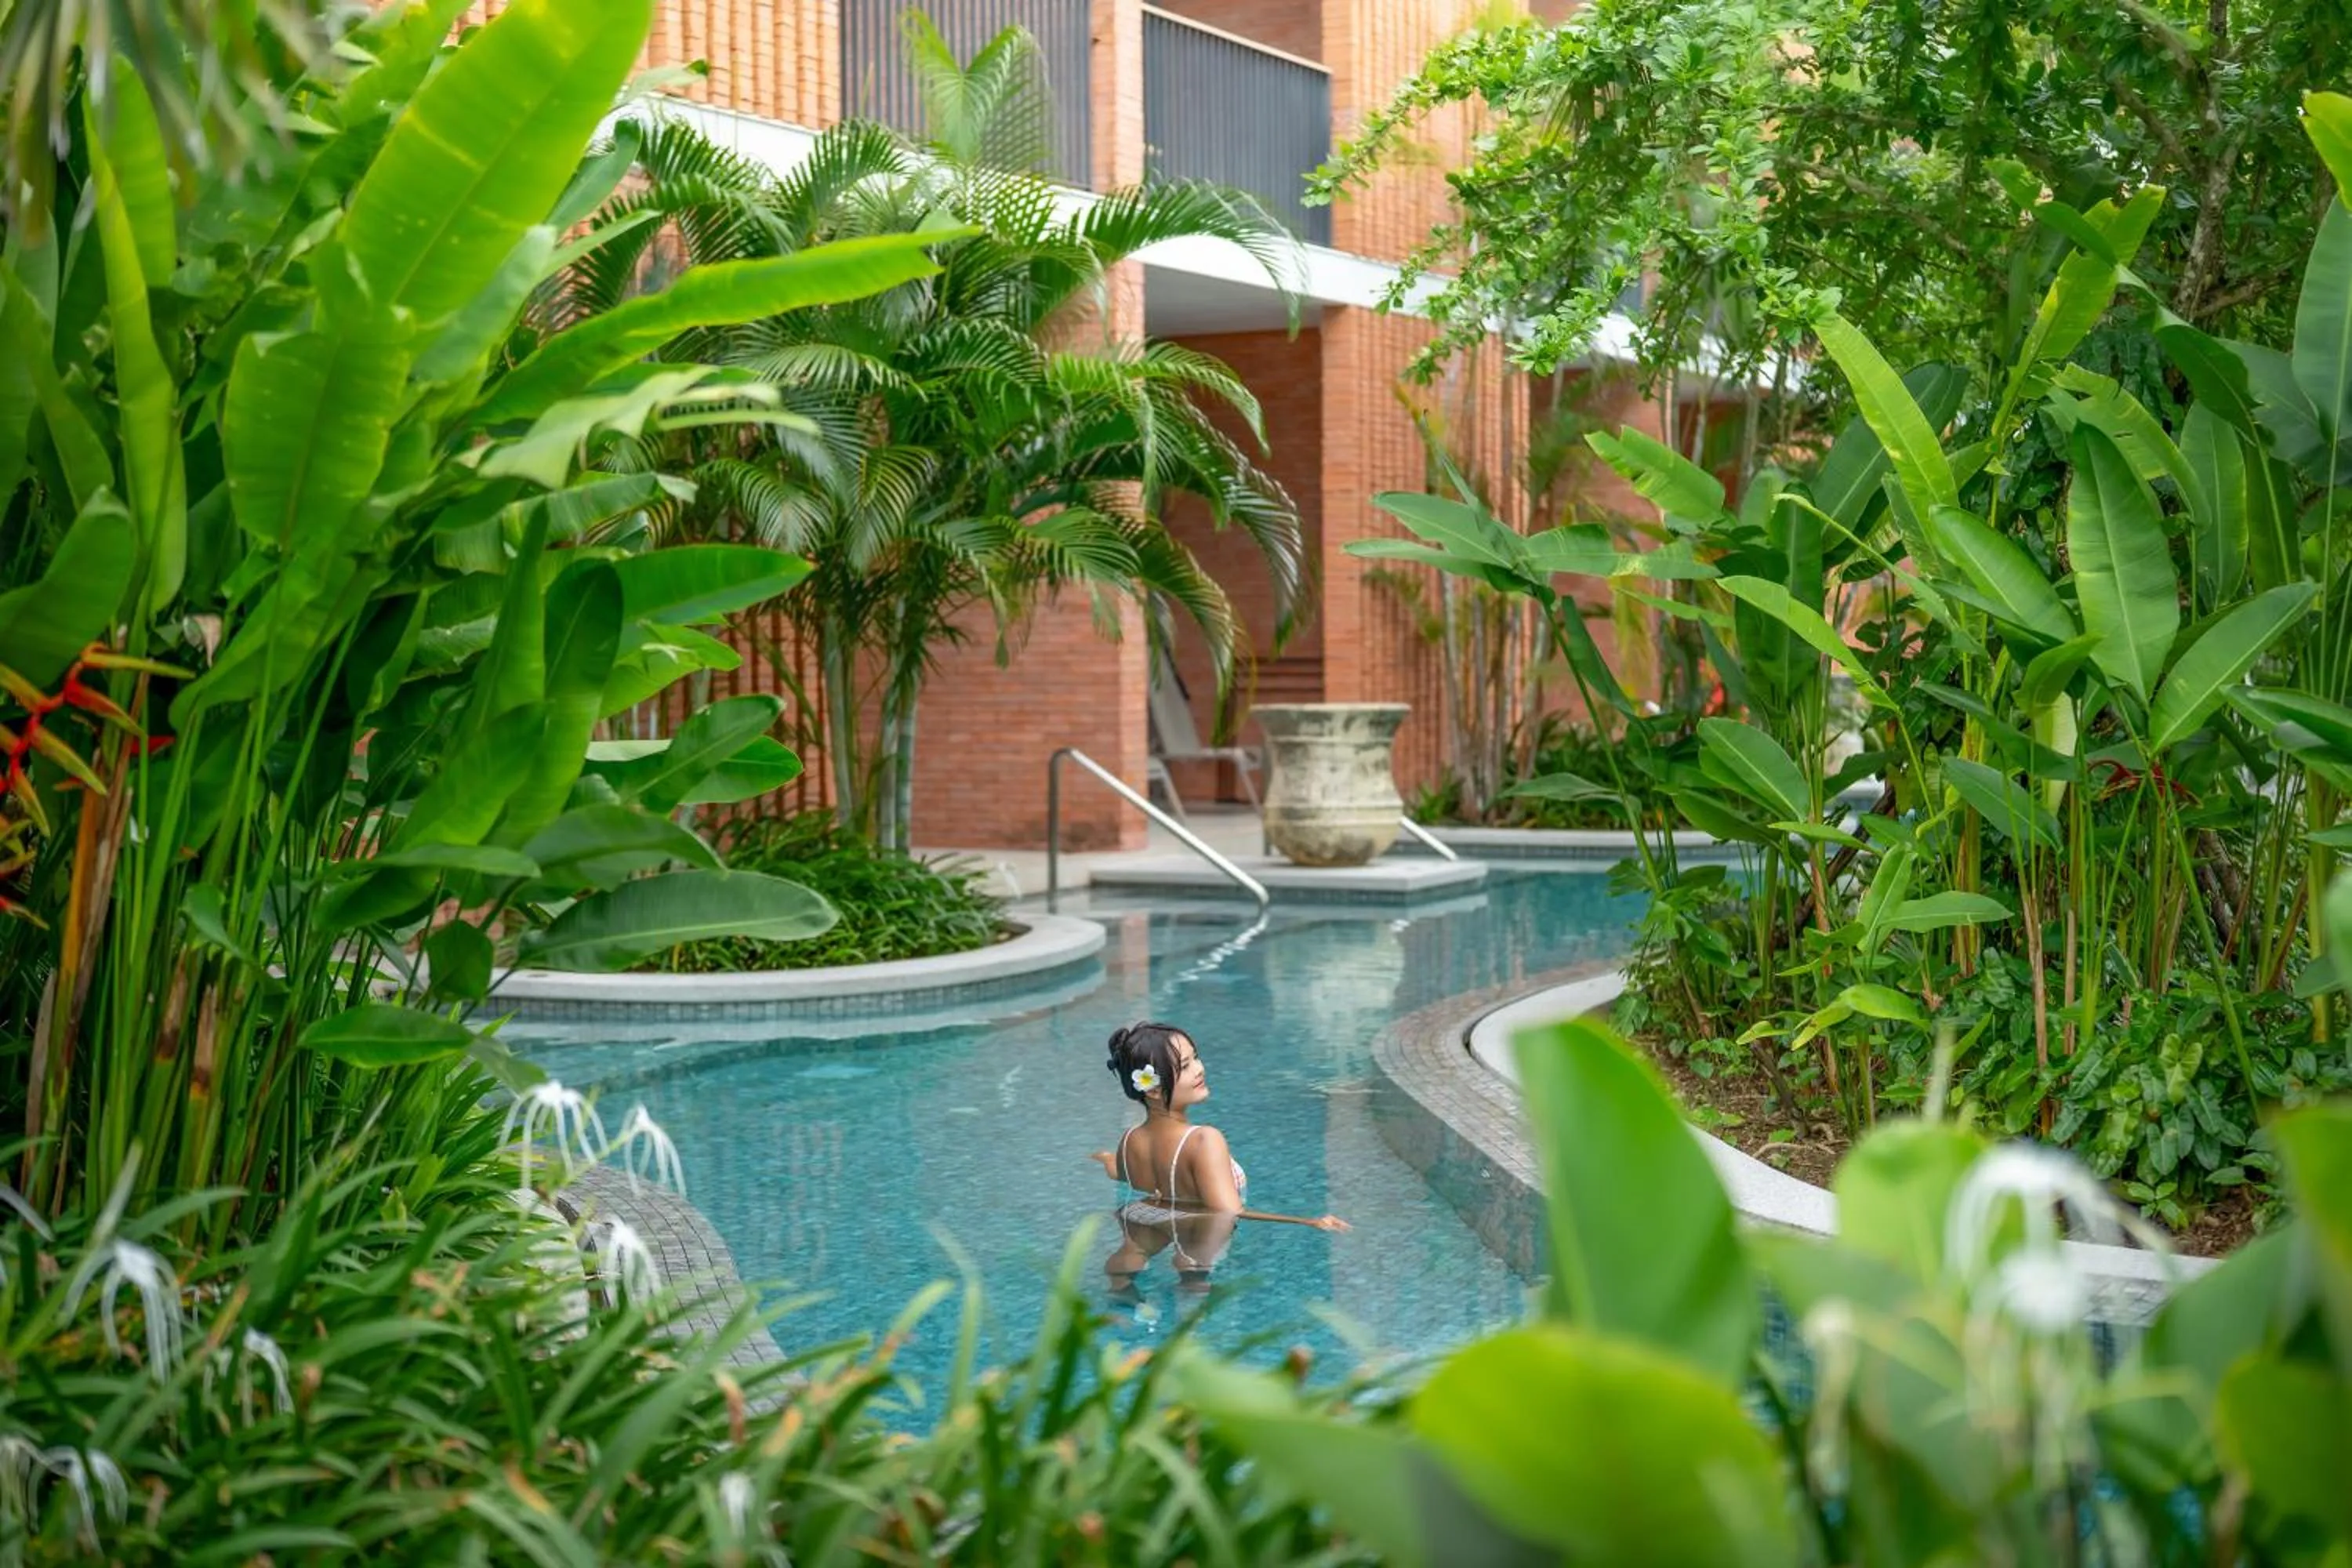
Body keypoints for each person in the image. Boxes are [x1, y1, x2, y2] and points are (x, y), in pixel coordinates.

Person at [1087, 1020, 1348, 1236]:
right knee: (1195, 1277)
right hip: (1199, 1229)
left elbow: (1121, 1174)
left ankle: (1122, 1280)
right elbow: (1229, 1212)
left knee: (1129, 1263)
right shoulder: (1204, 1140)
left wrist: (1104, 1158)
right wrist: (1309, 1222)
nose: (1200, 1069)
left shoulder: (1131, 1139)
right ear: (1154, 1089)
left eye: (1196, 1058)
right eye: (1185, 1066)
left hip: (1149, 1214)